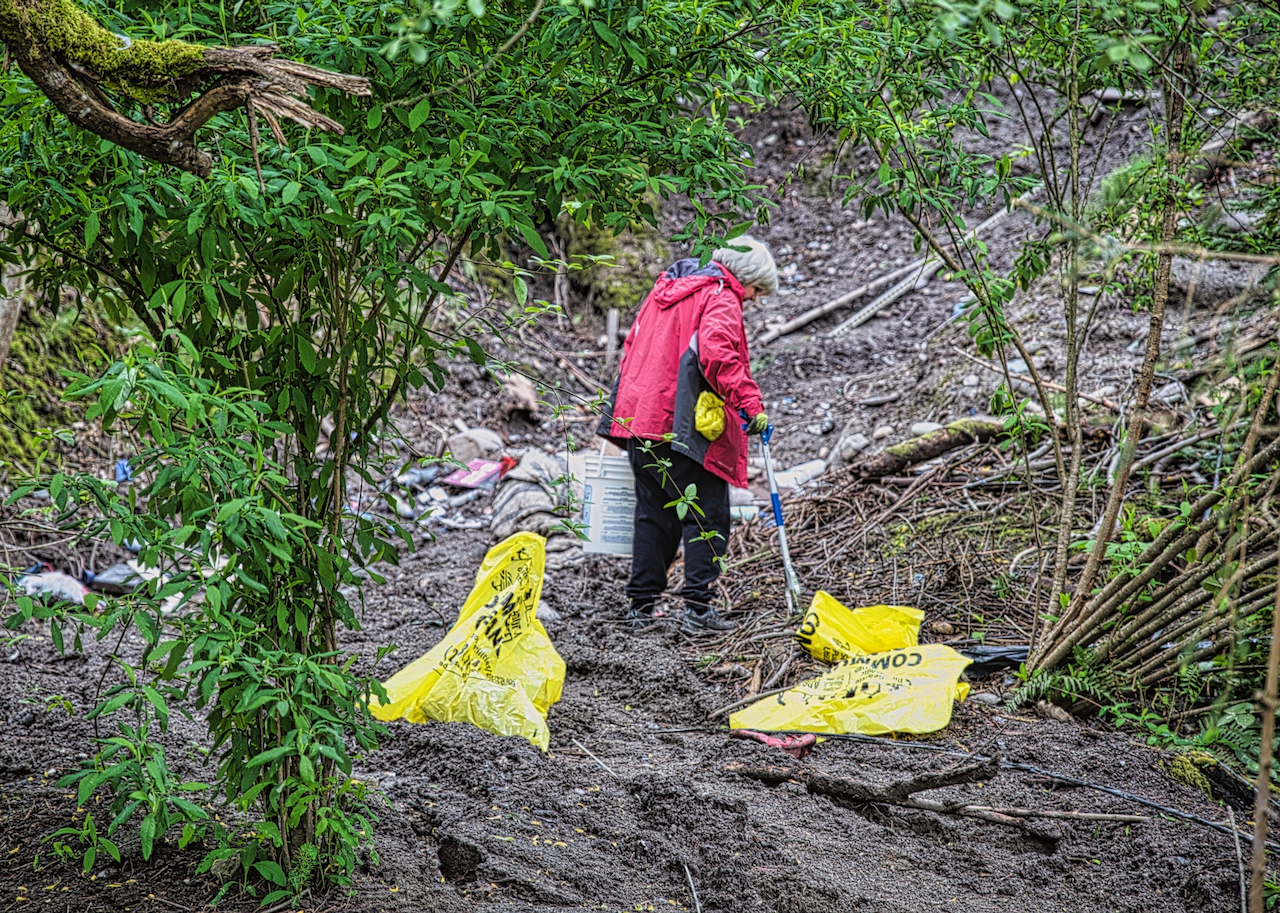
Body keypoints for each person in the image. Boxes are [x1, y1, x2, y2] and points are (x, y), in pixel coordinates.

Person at [598, 235, 776, 634]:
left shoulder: (666, 290)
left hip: (638, 420)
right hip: (679, 426)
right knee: (707, 514)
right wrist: (751, 404)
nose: (753, 299)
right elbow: (718, 356)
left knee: (653, 516)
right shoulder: (720, 294)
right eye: (756, 290)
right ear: (745, 277)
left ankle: (639, 608)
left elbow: (633, 347)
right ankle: (698, 610)